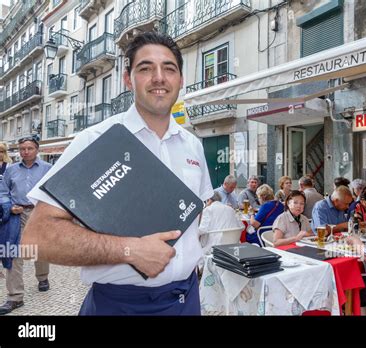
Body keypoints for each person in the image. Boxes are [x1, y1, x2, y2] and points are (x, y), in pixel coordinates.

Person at [22, 33, 214, 315]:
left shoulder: (193, 145)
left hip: (187, 300)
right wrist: (129, 250)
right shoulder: (95, 140)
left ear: (180, 80)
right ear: (128, 79)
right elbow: (37, 238)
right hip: (120, 306)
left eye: (169, 68)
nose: (159, 77)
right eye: (146, 68)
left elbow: (195, 216)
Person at [0, 137, 52, 315]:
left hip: (40, 214)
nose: (26, 152)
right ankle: (15, 297)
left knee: (40, 249)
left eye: (29, 148)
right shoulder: (11, 170)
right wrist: (9, 206)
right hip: (17, 215)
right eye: (22, 149)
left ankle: (43, 278)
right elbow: (3, 192)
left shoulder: (48, 169)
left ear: (37, 150)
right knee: (12, 251)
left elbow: (54, 191)